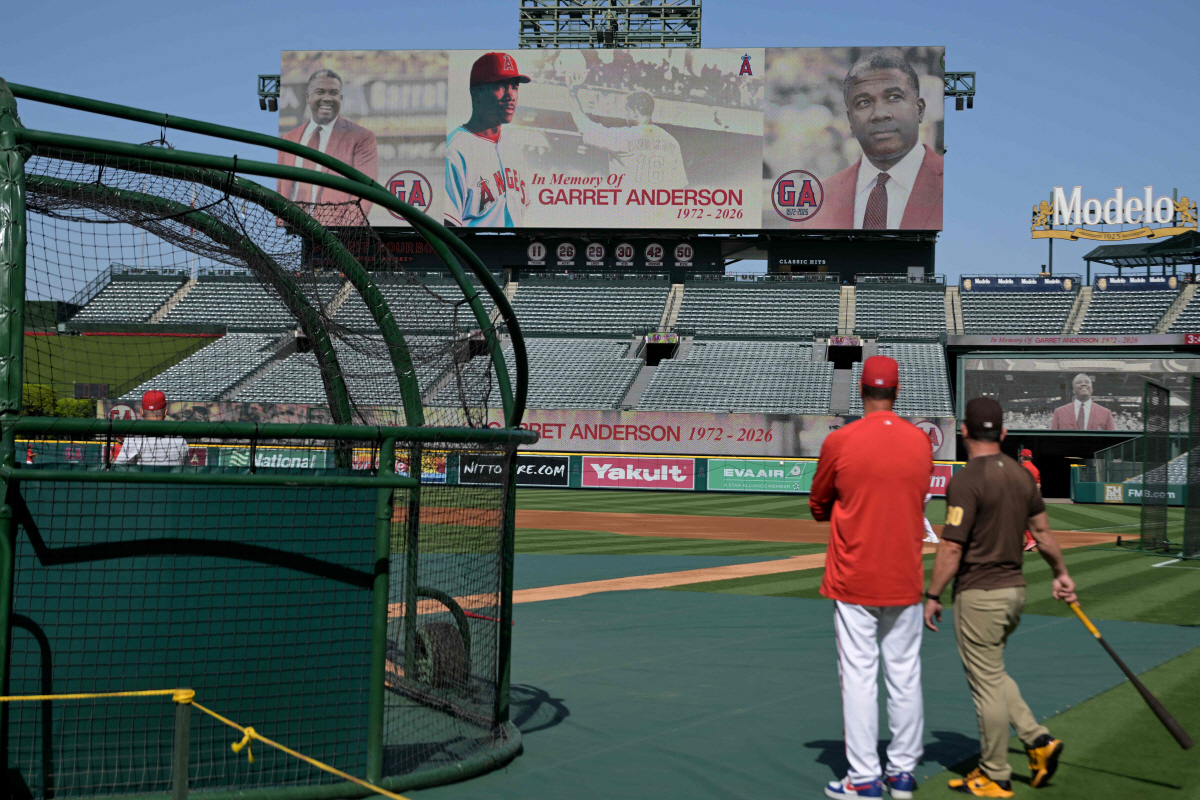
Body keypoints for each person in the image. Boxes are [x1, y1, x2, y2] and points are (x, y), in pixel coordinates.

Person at [923, 397, 1076, 797]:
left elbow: (952, 547)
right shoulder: (1022, 475)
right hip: (1015, 592)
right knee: (993, 672)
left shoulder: (967, 479)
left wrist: (933, 593)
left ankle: (994, 773)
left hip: (980, 593)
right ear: (1003, 433)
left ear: (965, 432)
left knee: (985, 685)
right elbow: (1042, 534)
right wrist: (1060, 573)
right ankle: (1038, 742)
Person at [809, 356, 933, 800]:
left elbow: (818, 504)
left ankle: (863, 777)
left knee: (859, 677)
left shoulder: (840, 440)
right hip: (904, 575)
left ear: (861, 390)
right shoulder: (920, 442)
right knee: (905, 674)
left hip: (854, 574)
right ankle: (902, 773)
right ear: (896, 392)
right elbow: (915, 497)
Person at [794, 51, 942, 230]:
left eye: (894, 97)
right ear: (850, 121)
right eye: (864, 102)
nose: (879, 114)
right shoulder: (815, 202)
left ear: (919, 110)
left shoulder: (960, 187)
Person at [277, 69, 379, 220]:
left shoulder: (362, 137)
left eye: (333, 93)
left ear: (341, 97)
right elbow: (280, 191)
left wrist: (344, 234)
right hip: (292, 231)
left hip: (337, 236)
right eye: (320, 92)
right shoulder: (288, 138)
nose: (327, 98)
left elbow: (366, 194)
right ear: (308, 97)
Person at [444, 52, 530, 227]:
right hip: (474, 253)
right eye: (501, 86)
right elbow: (448, 229)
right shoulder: (454, 151)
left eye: (515, 87)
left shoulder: (513, 149)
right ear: (476, 93)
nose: (511, 95)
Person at [566, 86, 688, 189]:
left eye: (627, 111)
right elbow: (680, 188)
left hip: (630, 212)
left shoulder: (624, 136)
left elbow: (585, 126)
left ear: (635, 112)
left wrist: (572, 94)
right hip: (658, 214)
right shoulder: (672, 142)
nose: (626, 116)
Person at [114, 390, 189, 466]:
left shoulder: (135, 438)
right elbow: (186, 470)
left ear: (141, 412)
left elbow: (118, 468)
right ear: (165, 412)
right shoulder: (180, 440)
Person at [1049, 373, 1115, 431]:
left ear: (1092, 389)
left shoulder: (1106, 413)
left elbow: (1112, 441)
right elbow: (1052, 439)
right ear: (1073, 390)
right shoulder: (1059, 412)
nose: (1084, 384)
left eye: (1087, 382)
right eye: (1079, 382)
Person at [1019, 449, 1040, 551]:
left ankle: (1031, 540)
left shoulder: (1021, 468)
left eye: (1021, 456)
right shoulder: (1035, 469)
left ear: (1022, 457)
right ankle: (1030, 540)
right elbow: (1038, 485)